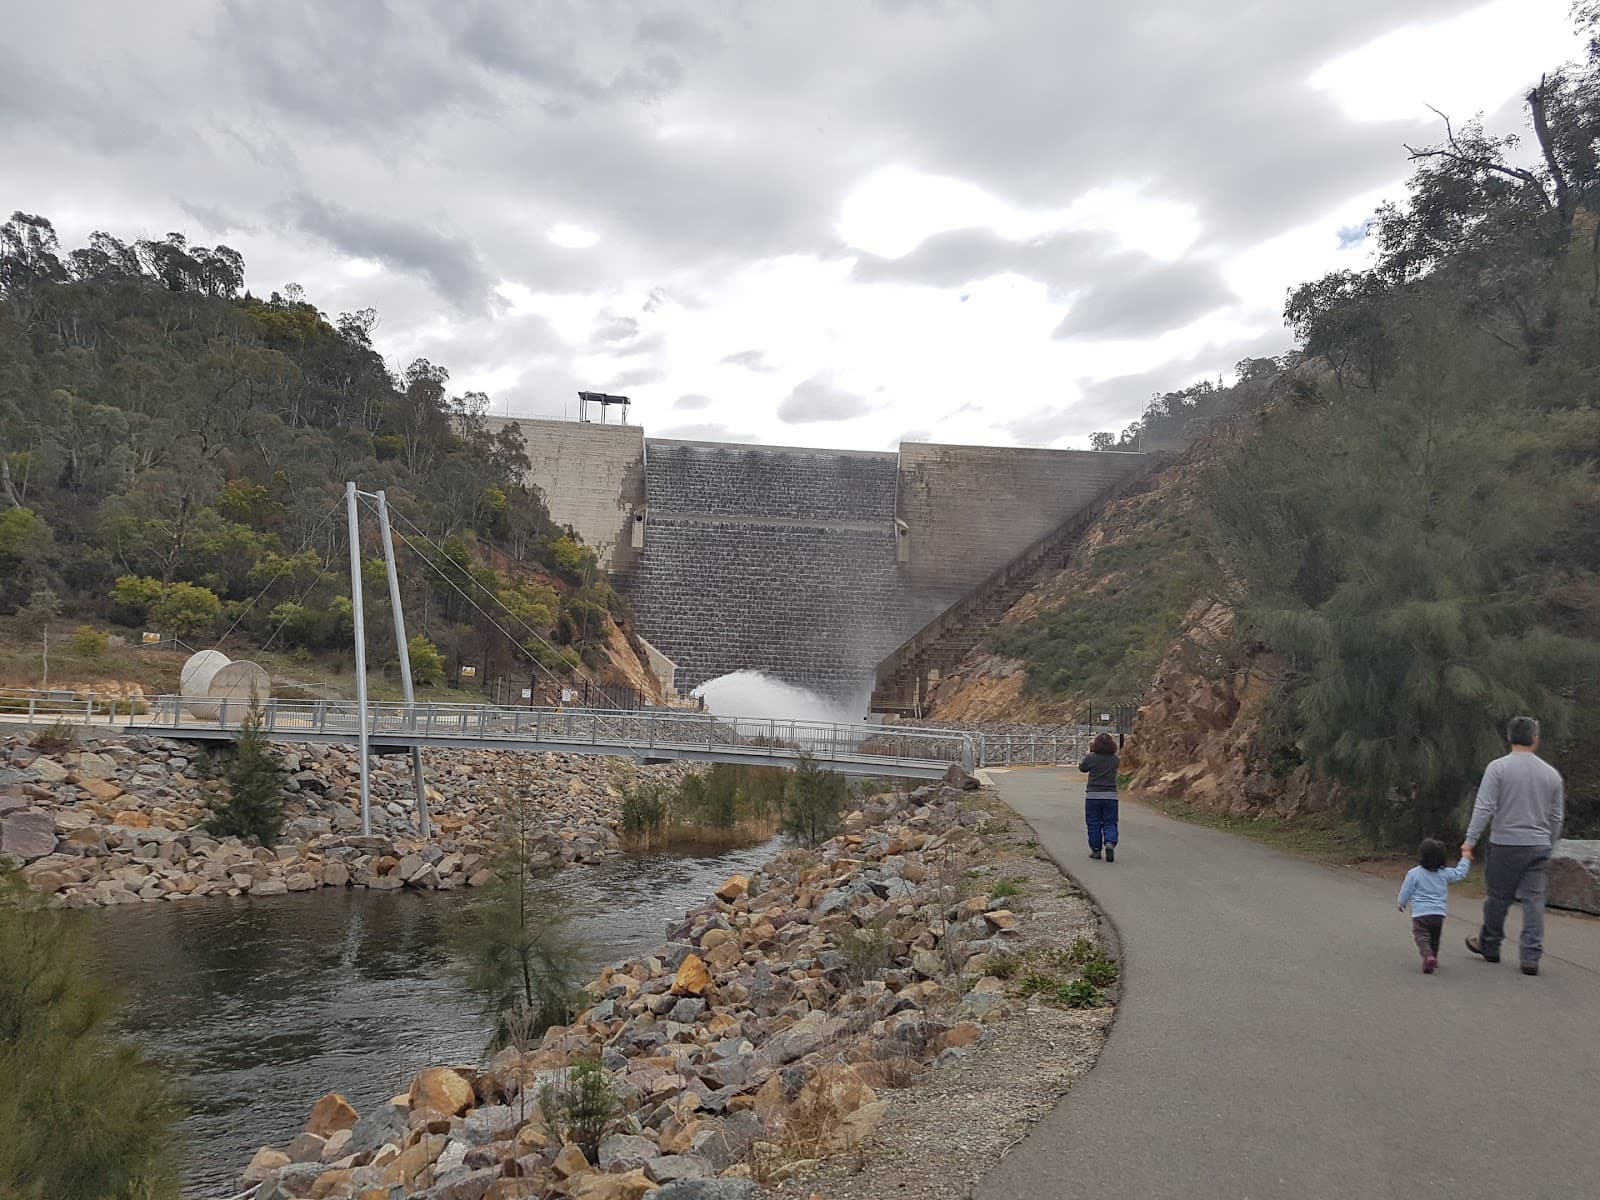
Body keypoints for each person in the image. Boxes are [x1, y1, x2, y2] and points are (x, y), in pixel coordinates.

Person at [1462, 716, 1565, 976]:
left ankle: (1491, 945)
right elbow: (1556, 817)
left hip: (1505, 843)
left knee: (1498, 898)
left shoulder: (1497, 768)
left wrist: (1470, 840)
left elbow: (1485, 807)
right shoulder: (1551, 774)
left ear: (1508, 738)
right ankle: (1530, 956)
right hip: (1538, 845)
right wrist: (1549, 843)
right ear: (1535, 739)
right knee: (1534, 900)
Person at [1397, 838, 1472, 974]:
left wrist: (1401, 903)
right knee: (1434, 937)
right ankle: (1433, 957)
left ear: (1421, 856)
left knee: (1421, 936)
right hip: (1438, 914)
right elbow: (1460, 873)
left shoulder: (1414, 873)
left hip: (1420, 914)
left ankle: (1428, 957)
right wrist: (1466, 857)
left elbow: (1406, 890)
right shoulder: (1444, 873)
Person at [1079, 732, 1121, 862]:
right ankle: (1110, 842)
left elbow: (1082, 768)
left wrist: (1089, 752)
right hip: (1111, 795)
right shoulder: (1115, 759)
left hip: (1093, 795)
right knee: (1110, 822)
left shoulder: (1091, 758)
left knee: (1093, 823)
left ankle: (1096, 850)